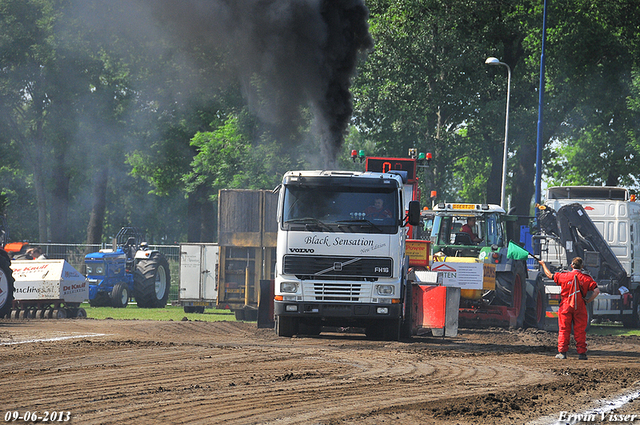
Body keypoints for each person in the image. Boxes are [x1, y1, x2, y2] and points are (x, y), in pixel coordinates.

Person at [539, 257, 600, 360]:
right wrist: (588, 300)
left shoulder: (564, 276)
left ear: (571, 266)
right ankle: (582, 354)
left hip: (566, 305)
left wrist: (543, 264)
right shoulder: (586, 278)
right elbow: (597, 291)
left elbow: (549, 275)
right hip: (580, 305)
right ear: (582, 266)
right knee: (580, 330)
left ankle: (562, 353)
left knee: (563, 329)